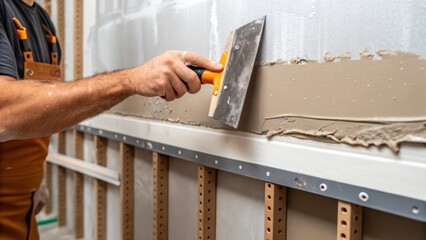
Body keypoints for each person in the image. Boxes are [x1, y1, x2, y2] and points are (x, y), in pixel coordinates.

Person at [0, 0, 223, 239]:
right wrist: (131, 80)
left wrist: (35, 180)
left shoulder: (42, 23)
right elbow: (5, 112)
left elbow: (36, 114)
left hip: (24, 209)